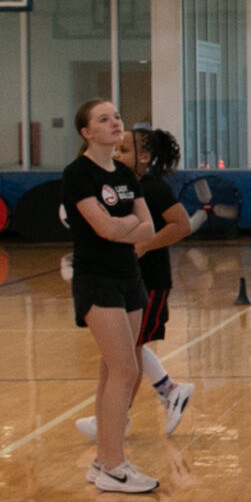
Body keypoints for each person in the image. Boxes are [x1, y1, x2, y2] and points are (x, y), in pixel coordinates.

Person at [65, 98, 160, 494]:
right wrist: (126, 225)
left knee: (114, 369)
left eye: (117, 115)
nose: (115, 122)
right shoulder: (78, 174)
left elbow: (149, 228)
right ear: (87, 132)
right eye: (104, 119)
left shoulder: (123, 172)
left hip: (128, 276)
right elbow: (103, 228)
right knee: (125, 369)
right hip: (96, 279)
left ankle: (105, 461)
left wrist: (124, 227)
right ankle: (114, 465)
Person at [77, 128, 196, 441]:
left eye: (125, 150)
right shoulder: (116, 186)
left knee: (128, 352)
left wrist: (146, 245)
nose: (117, 155)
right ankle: (167, 392)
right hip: (122, 279)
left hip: (151, 282)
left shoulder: (153, 187)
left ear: (144, 157)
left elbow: (181, 225)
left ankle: (120, 416)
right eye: (116, 149)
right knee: (123, 349)